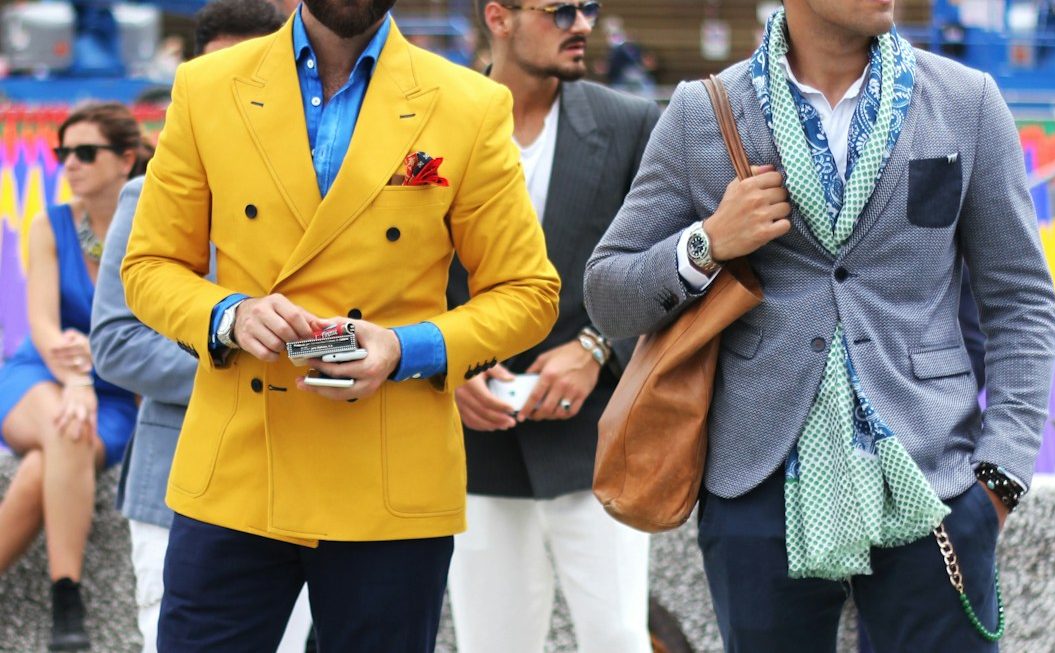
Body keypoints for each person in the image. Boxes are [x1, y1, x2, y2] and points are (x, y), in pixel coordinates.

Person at [583, 0, 1055, 650]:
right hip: (758, 483)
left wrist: (1000, 477)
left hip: (934, 478)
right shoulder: (705, 111)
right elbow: (608, 294)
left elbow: (1022, 299)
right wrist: (708, 243)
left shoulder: (966, 101)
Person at [118, 0, 561, 648]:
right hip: (238, 471)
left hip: (390, 482)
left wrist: (405, 347)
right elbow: (149, 264)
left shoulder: (468, 104)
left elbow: (528, 291)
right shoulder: (208, 85)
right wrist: (228, 315)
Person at [444, 0, 659, 651]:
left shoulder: (629, 123)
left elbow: (667, 265)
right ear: (498, 17)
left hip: (598, 432)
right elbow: (391, 265)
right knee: (492, 642)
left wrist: (598, 346)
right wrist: (441, 366)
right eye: (560, 9)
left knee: (619, 636)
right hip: (474, 436)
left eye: (590, 8)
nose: (582, 25)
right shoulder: (433, 119)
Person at [88, 3, 302, 652]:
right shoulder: (148, 192)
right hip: (176, 488)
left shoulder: (323, 194)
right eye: (217, 75)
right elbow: (115, 341)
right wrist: (241, 362)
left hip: (298, 485)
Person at [0, 102, 147, 651]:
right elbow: (39, 323)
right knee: (65, 426)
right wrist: (77, 377)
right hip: (38, 375)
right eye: (64, 152)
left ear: (126, 159)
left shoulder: (150, 228)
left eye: (87, 152)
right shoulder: (50, 222)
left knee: (47, 461)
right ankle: (69, 599)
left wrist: (91, 380)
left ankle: (68, 600)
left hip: (113, 395)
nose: (71, 164)